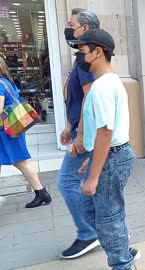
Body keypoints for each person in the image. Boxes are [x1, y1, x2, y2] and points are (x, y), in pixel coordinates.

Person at [69, 28, 141, 270]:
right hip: (113, 154)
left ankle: (122, 263)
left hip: (113, 156)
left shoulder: (102, 87)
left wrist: (93, 176)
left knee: (107, 216)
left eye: (82, 51)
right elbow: (107, 133)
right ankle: (122, 248)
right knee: (97, 211)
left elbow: (105, 131)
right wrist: (92, 161)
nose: (79, 57)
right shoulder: (108, 82)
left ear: (98, 52)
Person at [58, 8, 100, 259]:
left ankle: (88, 233)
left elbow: (89, 98)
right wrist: (69, 126)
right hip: (80, 129)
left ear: (84, 28)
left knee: (67, 181)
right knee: (95, 184)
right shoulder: (80, 58)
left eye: (71, 23)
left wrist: (80, 135)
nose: (68, 27)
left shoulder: (86, 59)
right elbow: (76, 98)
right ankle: (106, 229)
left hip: (87, 133)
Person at [0, 57, 52, 209]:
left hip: (6, 132)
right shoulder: (7, 81)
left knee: (21, 162)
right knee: (20, 162)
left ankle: (41, 192)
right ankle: (41, 192)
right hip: (12, 129)